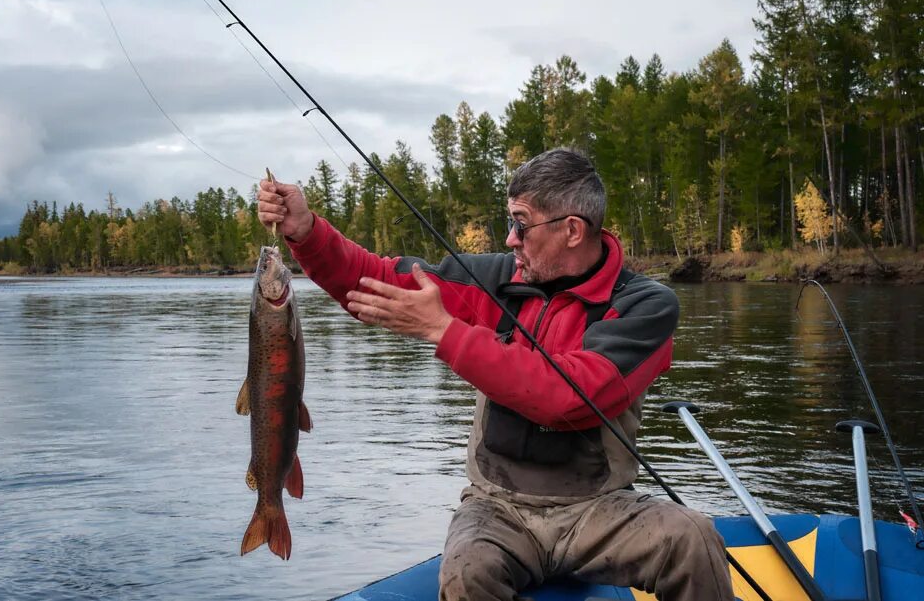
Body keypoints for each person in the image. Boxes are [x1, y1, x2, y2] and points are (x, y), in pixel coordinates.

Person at [258, 148, 733, 601]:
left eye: (520, 224)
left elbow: (572, 397)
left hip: (600, 510)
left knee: (693, 539)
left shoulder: (644, 305)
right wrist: (307, 231)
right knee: (467, 572)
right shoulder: (495, 278)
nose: (509, 239)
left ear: (571, 229)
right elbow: (376, 279)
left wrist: (445, 332)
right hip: (497, 507)